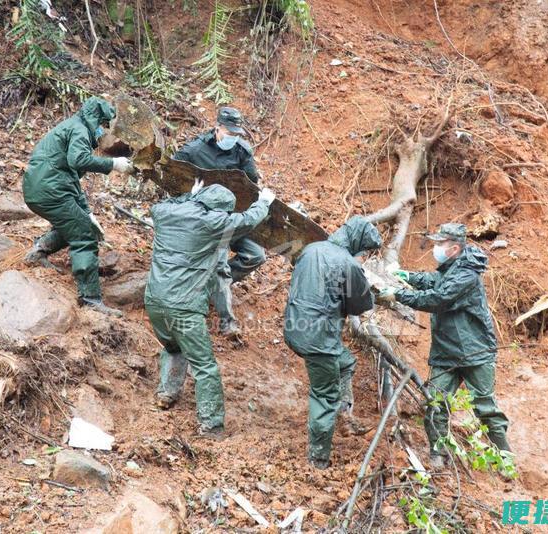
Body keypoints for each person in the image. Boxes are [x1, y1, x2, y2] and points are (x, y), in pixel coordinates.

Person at [145, 180, 275, 437]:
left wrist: (190, 195)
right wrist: (265, 202)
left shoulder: (164, 212)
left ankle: (166, 393)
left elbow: (164, 204)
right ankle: (211, 426)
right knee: (205, 366)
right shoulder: (213, 223)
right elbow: (248, 220)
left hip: (154, 301)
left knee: (173, 346)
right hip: (185, 305)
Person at [377, 223, 511, 468]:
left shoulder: (467, 275)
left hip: (475, 352)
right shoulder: (452, 267)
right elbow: (434, 280)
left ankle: (505, 460)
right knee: (436, 403)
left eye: (440, 244)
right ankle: (438, 454)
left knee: (485, 408)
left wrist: (398, 295)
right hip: (446, 353)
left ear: (455, 248)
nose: (435, 248)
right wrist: (408, 277)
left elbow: (438, 298)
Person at [284, 216, 383, 469]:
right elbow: (360, 306)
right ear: (358, 243)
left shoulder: (310, 249)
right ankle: (318, 458)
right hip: (319, 340)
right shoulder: (348, 263)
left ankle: (344, 416)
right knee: (323, 395)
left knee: (346, 362)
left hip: (296, 328)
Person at [22, 96, 134, 317]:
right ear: (96, 120)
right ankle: (90, 299)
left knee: (77, 222)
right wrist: (114, 164)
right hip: (49, 190)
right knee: (84, 235)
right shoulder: (81, 130)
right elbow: (79, 161)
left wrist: (88, 213)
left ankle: (38, 252)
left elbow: (71, 177)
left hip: (40, 189)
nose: (103, 133)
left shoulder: (73, 126)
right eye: (103, 126)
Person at [173, 107, 264, 339]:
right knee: (220, 263)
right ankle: (227, 321)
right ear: (217, 128)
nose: (233, 137)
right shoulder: (194, 150)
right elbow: (173, 179)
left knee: (255, 255)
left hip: (235, 214)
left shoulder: (242, 152)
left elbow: (252, 186)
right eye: (229, 132)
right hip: (209, 220)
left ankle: (212, 288)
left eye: (237, 133)